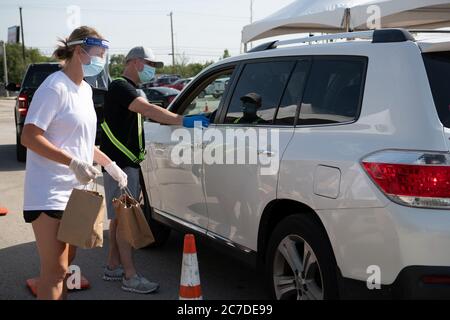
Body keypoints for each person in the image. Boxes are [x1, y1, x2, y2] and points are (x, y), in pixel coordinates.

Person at [21, 26, 128, 300]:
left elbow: (79, 141)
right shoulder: (54, 87)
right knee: (55, 270)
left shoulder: (86, 91)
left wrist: (109, 164)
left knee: (68, 267)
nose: (103, 59)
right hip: (49, 191)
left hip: (77, 192)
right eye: (99, 53)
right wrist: (72, 163)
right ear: (80, 52)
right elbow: (30, 136)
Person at [100, 46, 209, 294]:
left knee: (118, 219)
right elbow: (148, 111)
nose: (152, 71)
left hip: (121, 164)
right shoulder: (121, 87)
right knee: (127, 221)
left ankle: (113, 265)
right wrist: (184, 121)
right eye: (151, 65)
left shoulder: (130, 89)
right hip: (120, 165)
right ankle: (130, 276)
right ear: (137, 62)